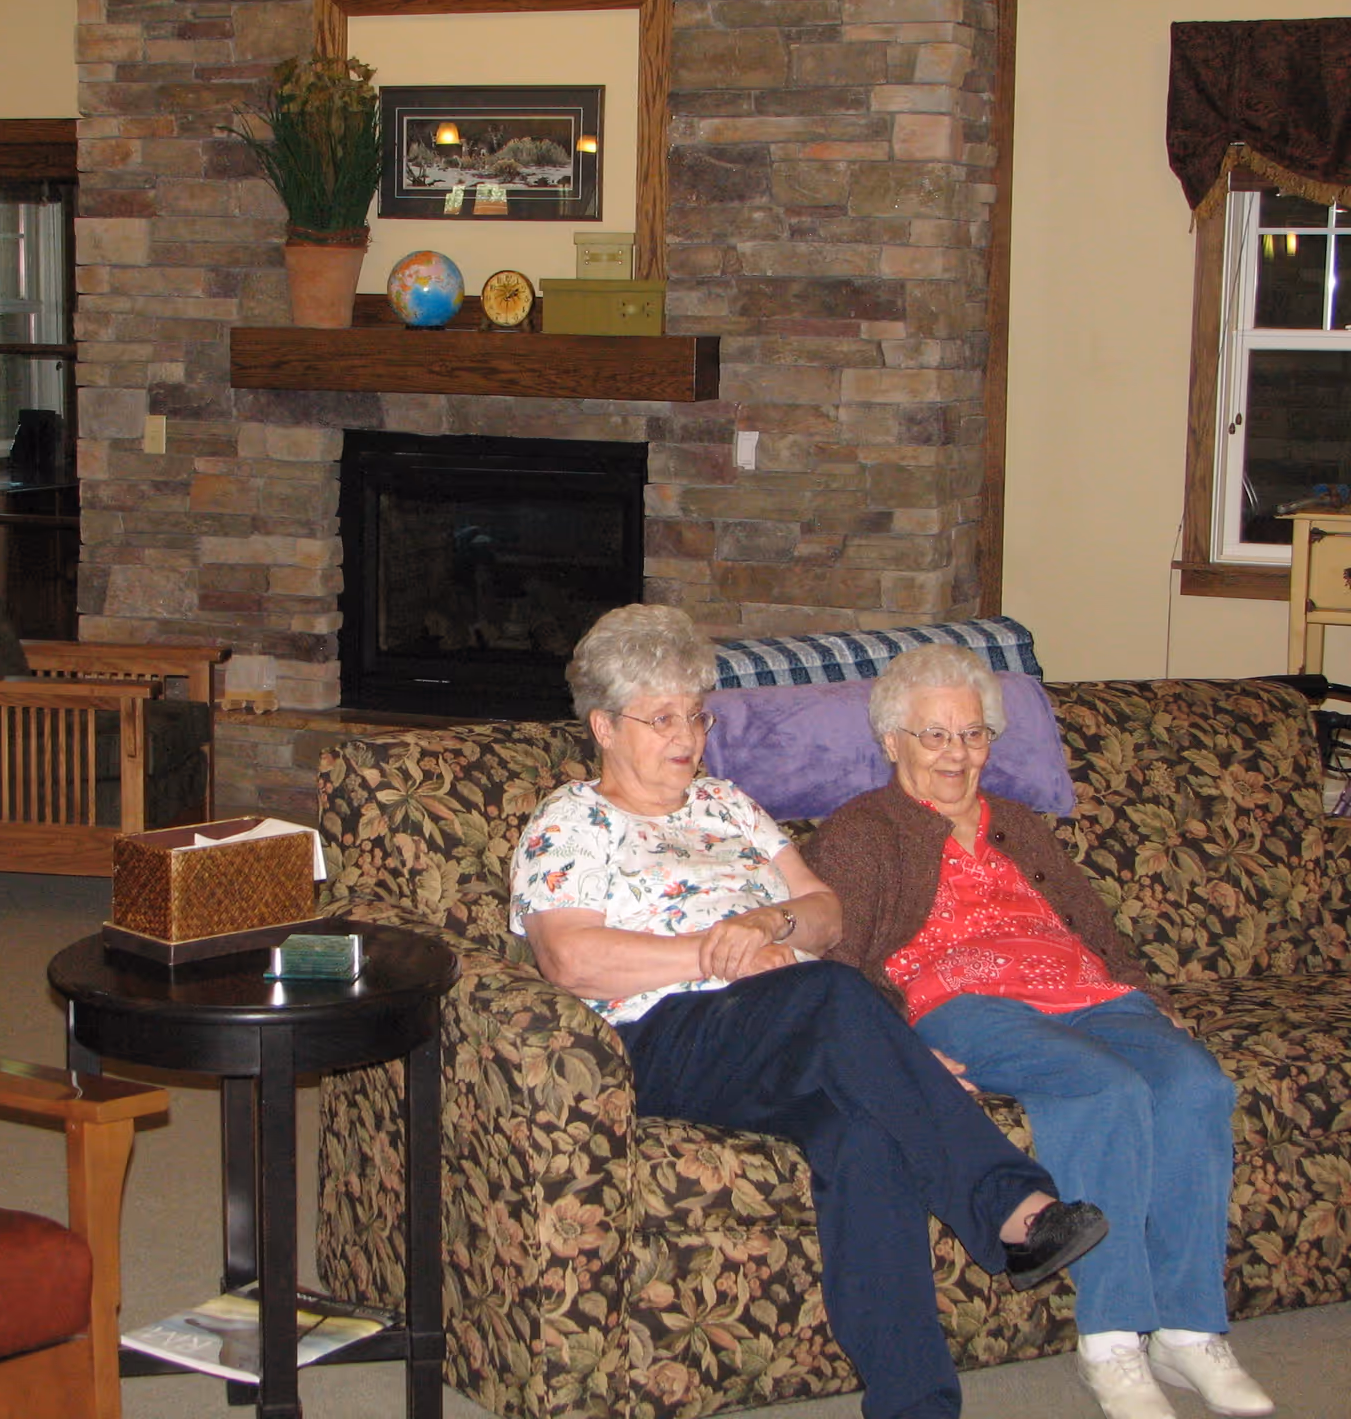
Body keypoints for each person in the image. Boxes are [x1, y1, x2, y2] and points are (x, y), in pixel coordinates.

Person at [509, 605, 1109, 1419]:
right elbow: (569, 959)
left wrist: (771, 924)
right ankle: (1007, 1201)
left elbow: (824, 914)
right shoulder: (568, 821)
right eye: (662, 719)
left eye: (696, 714)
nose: (688, 736)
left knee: (865, 1135)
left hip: (792, 1023)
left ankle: (916, 1405)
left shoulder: (727, 804)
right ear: (605, 727)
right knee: (827, 993)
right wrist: (715, 951)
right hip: (664, 1036)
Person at [803, 644, 1274, 1419]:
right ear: (892, 742)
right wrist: (901, 1050)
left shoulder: (1019, 821)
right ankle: (1113, 1343)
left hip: (1085, 992)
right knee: (1103, 1085)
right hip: (962, 1000)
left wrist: (1145, 997)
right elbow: (841, 959)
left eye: (974, 733)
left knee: (1196, 1081)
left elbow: (1094, 928)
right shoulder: (863, 829)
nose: (957, 754)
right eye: (935, 736)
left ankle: (1189, 1330)